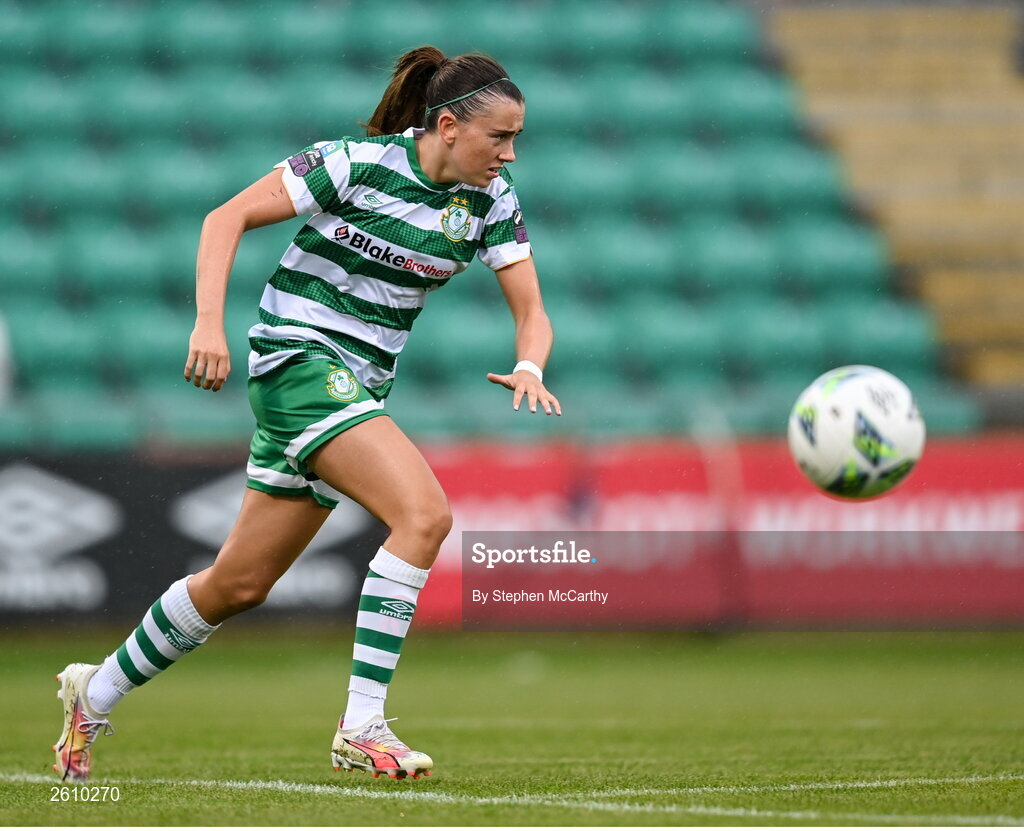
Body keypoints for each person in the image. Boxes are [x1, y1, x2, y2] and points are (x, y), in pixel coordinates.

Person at [53, 45, 559, 783]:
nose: (509, 155)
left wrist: (528, 365)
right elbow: (224, 219)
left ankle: (91, 694)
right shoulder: (353, 163)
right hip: (296, 363)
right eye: (500, 137)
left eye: (517, 140)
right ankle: (363, 725)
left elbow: (534, 311)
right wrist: (206, 324)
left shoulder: (489, 203)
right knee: (423, 515)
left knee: (237, 584)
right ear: (448, 125)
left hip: (357, 388)